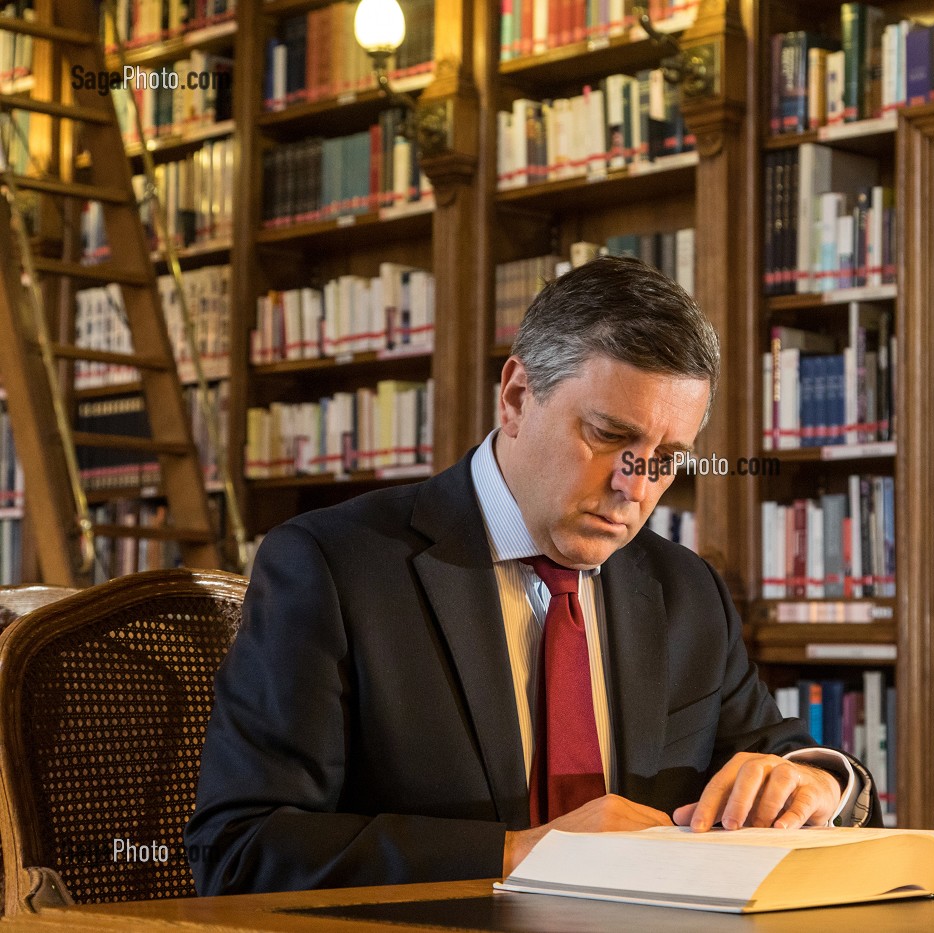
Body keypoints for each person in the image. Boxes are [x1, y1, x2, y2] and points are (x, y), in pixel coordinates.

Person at [186, 256, 875, 895]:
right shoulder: (333, 568)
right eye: (608, 436)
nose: (634, 486)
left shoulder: (684, 590)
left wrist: (814, 777)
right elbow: (241, 849)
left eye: (666, 458)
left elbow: (768, 749)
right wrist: (521, 853)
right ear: (516, 397)